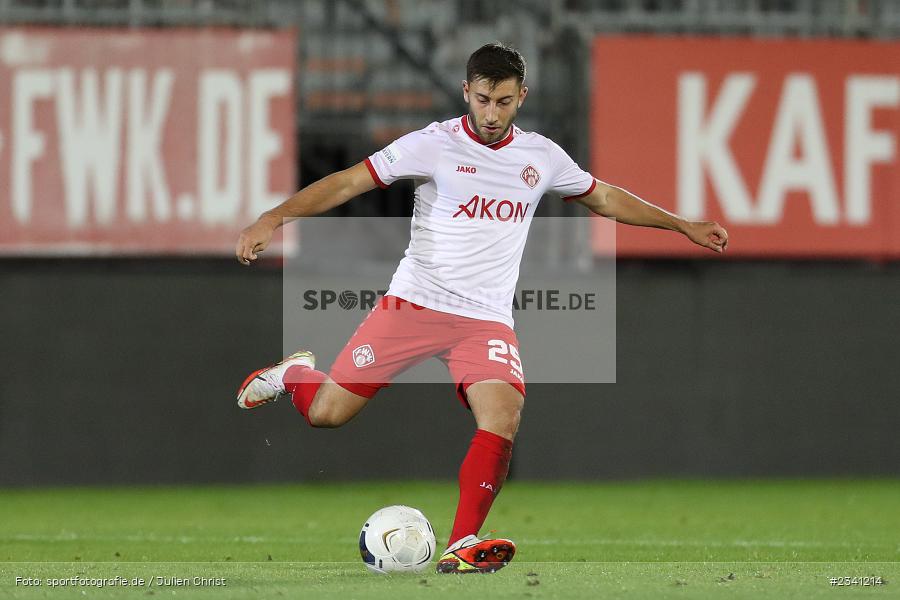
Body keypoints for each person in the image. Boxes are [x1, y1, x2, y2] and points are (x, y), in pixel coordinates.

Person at [234, 43, 728, 574]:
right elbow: (350, 181)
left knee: (504, 415)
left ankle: (462, 541)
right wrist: (274, 217)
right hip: (413, 305)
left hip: (485, 320)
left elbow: (604, 197)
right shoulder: (432, 145)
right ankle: (295, 375)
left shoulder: (541, 156)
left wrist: (682, 224)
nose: (493, 115)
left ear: (522, 97)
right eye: (485, 99)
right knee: (327, 414)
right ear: (467, 91)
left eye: (506, 102)